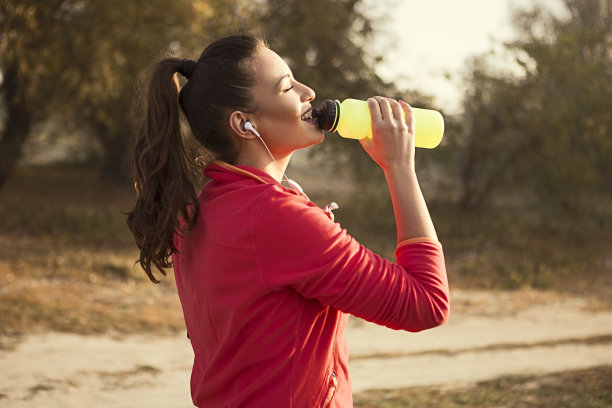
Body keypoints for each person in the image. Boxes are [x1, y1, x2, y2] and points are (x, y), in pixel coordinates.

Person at [127, 34, 450, 408]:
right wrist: (399, 168)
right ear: (244, 123)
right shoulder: (276, 217)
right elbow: (426, 303)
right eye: (286, 86)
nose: (308, 91)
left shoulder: (200, 210)